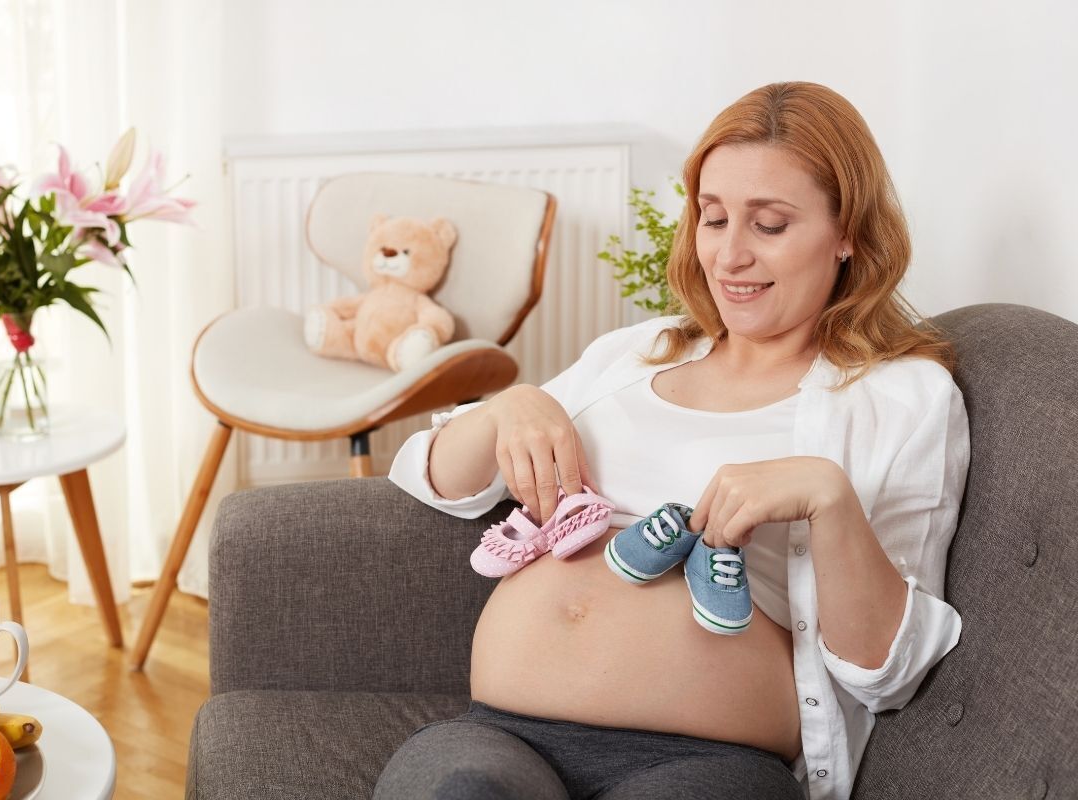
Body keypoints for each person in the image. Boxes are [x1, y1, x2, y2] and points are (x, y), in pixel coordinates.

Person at [376, 81, 970, 800]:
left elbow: (893, 670)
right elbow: (432, 478)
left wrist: (829, 499)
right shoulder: (639, 351)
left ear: (847, 232)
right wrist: (512, 408)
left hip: (704, 763)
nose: (729, 256)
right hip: (501, 737)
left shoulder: (901, 394)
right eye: (713, 218)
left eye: (771, 225)